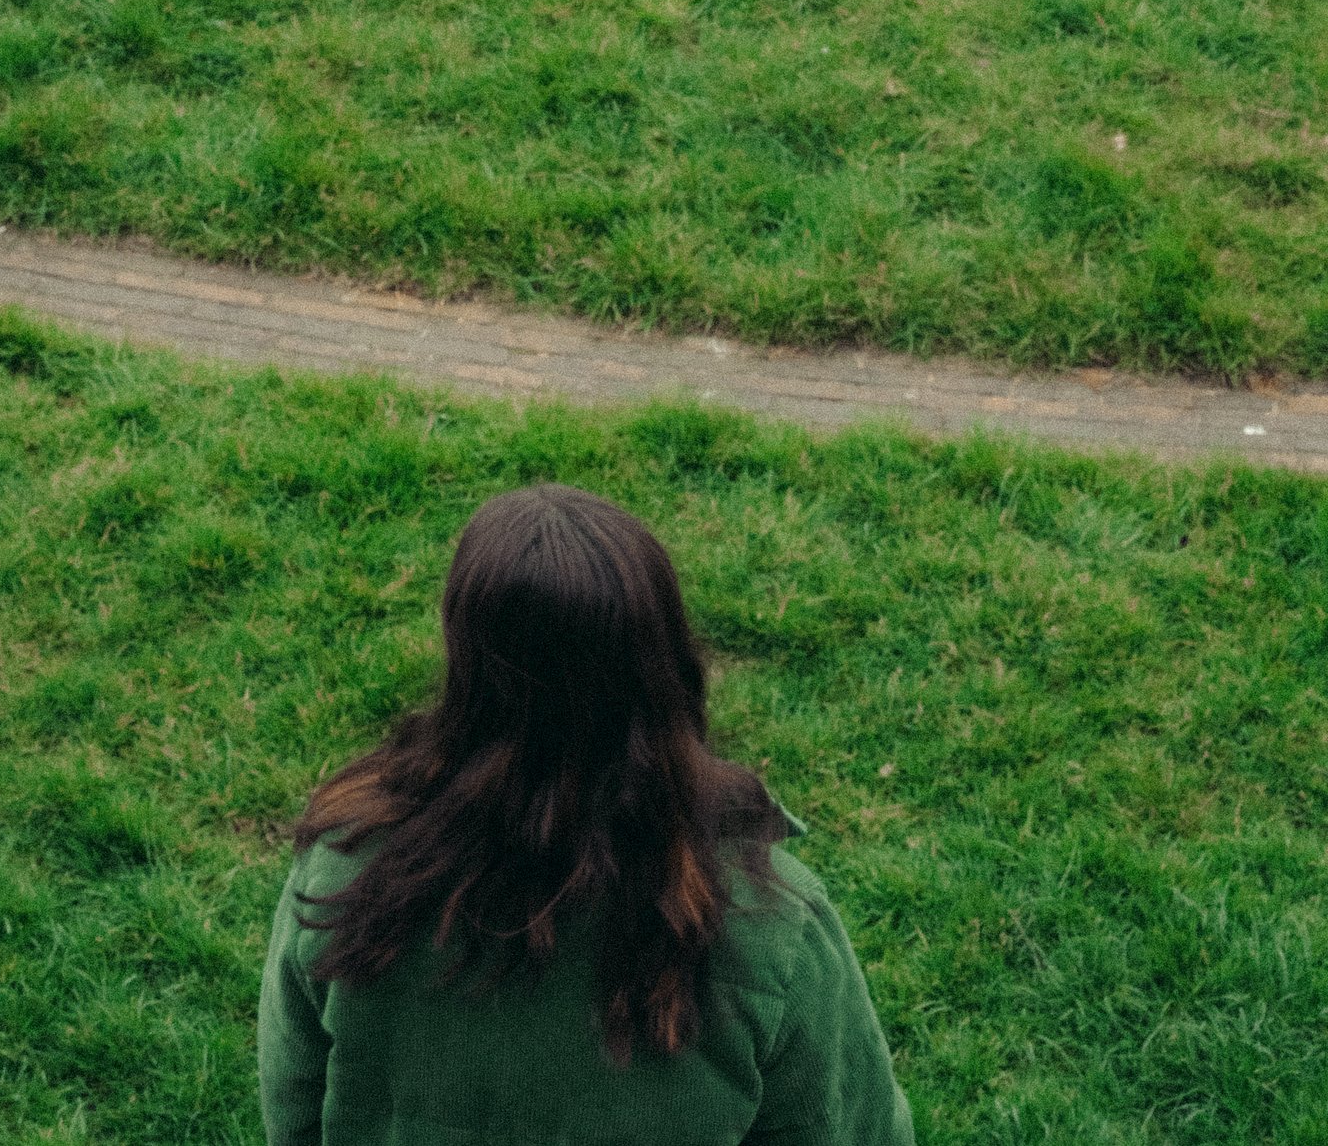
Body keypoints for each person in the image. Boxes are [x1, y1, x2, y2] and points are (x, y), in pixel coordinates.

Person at [259, 480, 914, 1145]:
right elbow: (851, 1129)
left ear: (468, 662)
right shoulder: (768, 926)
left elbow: (294, 1107)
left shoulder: (346, 867)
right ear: (663, 659)